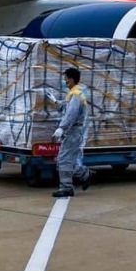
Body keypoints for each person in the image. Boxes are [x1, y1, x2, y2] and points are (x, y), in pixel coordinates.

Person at [50, 67, 93, 198]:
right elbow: (67, 107)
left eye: (66, 80)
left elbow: (71, 114)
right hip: (74, 131)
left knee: (63, 159)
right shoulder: (75, 93)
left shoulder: (76, 94)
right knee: (68, 160)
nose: (65, 82)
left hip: (73, 131)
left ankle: (67, 187)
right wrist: (56, 102)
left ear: (72, 79)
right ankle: (85, 174)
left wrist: (61, 128)